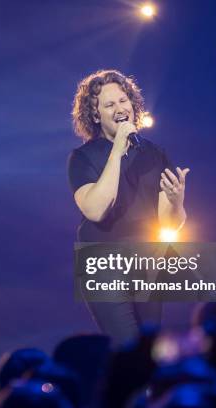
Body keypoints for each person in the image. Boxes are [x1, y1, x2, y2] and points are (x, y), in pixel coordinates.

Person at [67, 70, 189, 344]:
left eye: (124, 101)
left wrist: (176, 200)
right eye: (109, 105)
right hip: (103, 262)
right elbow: (95, 209)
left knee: (148, 349)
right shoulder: (82, 158)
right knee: (126, 347)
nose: (120, 108)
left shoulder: (154, 153)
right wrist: (117, 150)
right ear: (96, 115)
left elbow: (170, 224)